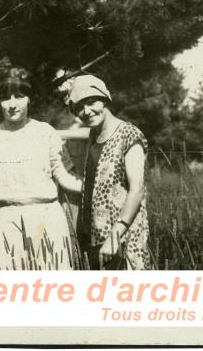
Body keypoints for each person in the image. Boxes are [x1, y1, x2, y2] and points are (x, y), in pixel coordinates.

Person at [0, 67, 82, 270]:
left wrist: (99, 185)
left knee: (50, 293)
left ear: (29, 99)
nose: (12, 104)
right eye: (5, 98)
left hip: (46, 222)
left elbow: (64, 177)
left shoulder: (45, 133)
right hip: (2, 225)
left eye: (19, 96)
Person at [68, 75, 152, 270]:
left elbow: (136, 190)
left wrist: (115, 236)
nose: (86, 111)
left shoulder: (129, 134)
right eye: (79, 107)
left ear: (104, 99)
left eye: (91, 102)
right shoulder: (93, 135)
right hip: (93, 236)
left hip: (121, 239)